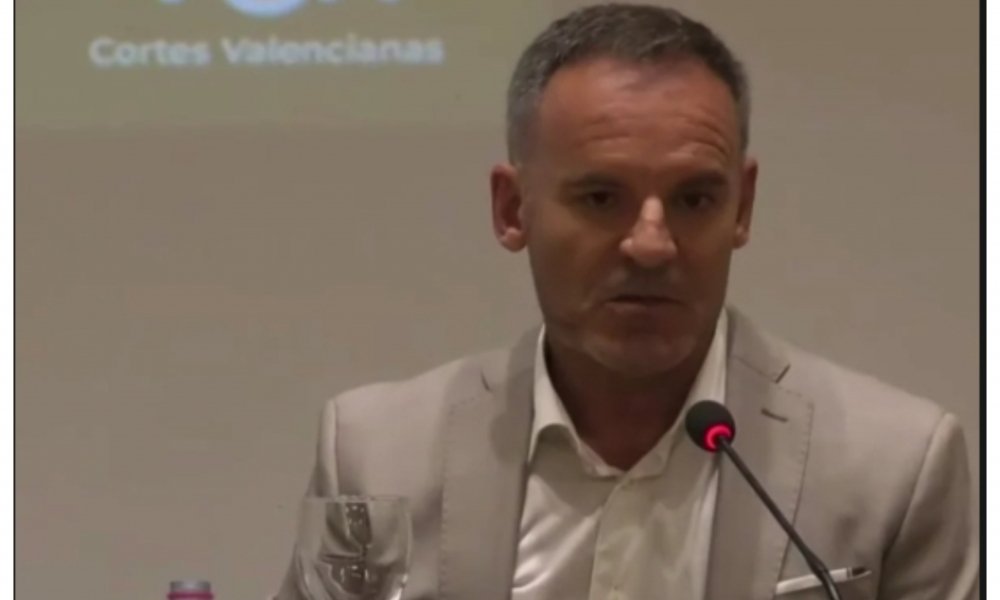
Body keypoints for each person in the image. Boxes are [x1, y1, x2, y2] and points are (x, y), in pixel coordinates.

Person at [275, 4, 978, 599]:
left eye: (694, 199)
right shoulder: (378, 454)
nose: (651, 244)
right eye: (600, 198)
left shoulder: (895, 469)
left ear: (742, 207)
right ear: (513, 209)